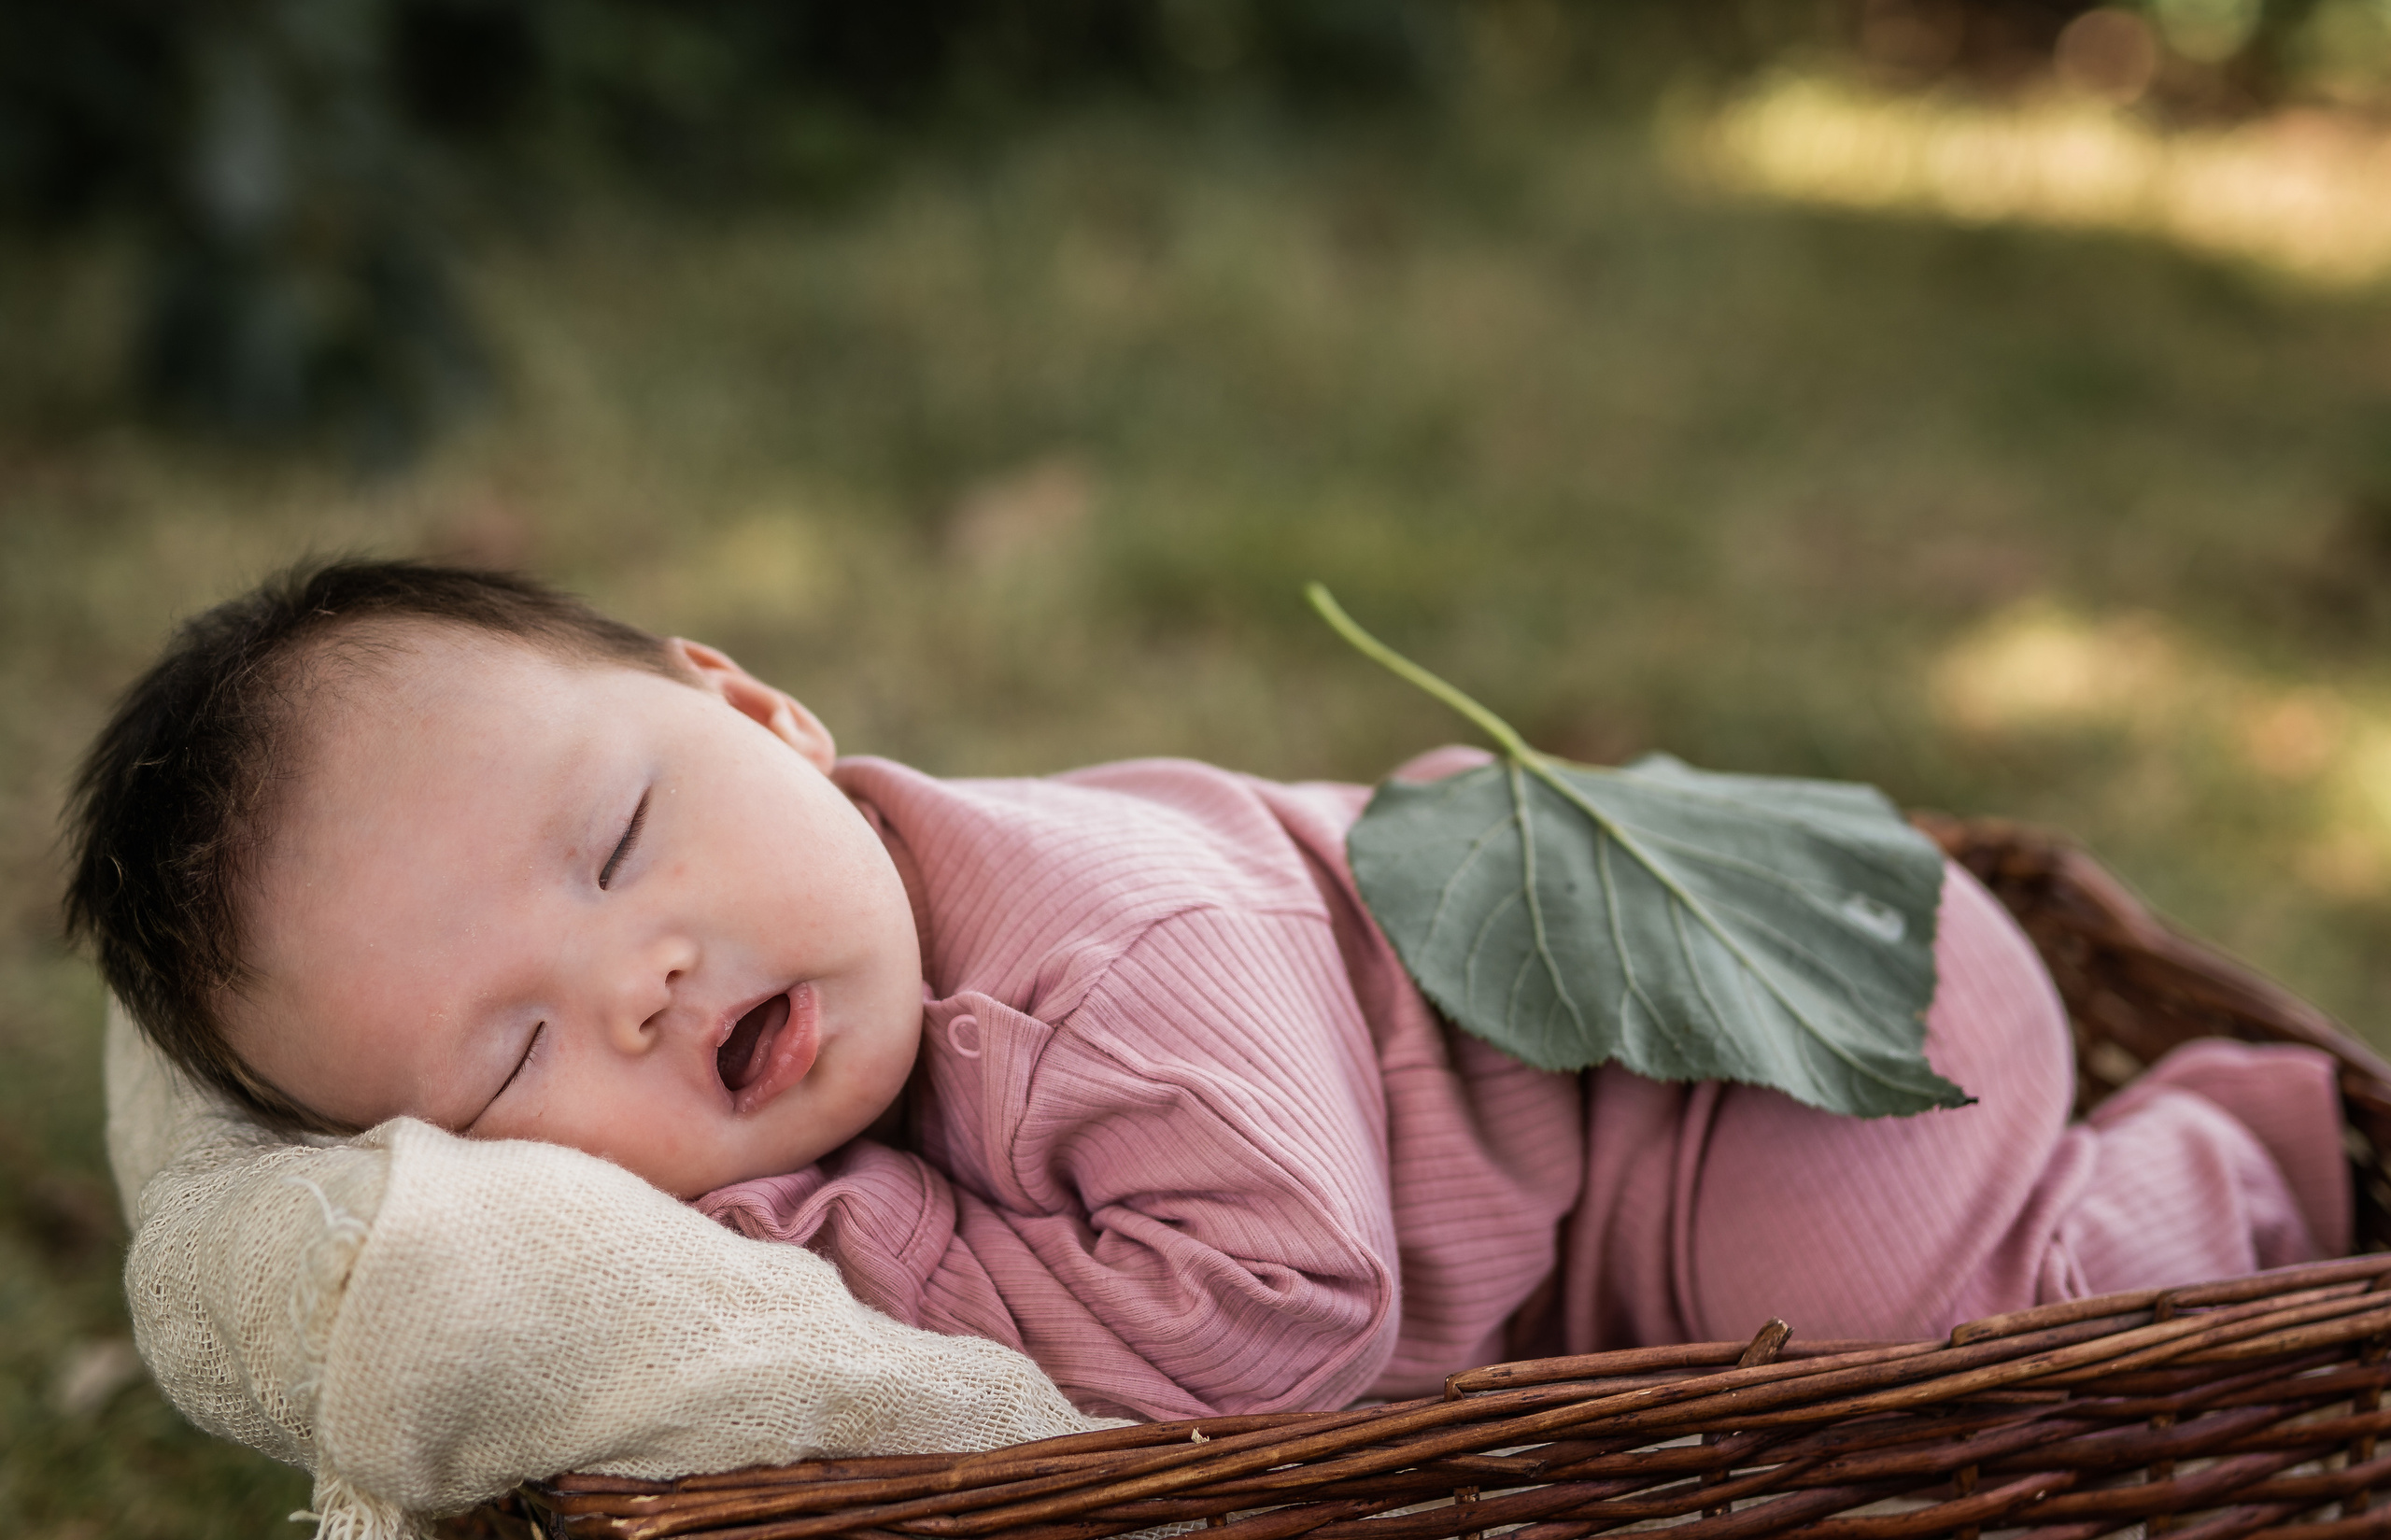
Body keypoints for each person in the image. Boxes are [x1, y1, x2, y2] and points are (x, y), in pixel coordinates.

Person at [64, 559, 2353, 1425]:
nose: (641, 979)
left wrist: (815, 1231)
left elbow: (1280, 1323)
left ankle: (2229, 1170)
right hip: (1584, 1206)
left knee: (1889, 1366)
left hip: (1781, 1055)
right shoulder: (809, 1013)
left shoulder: (1114, 960)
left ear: (754, 712)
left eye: (620, 845)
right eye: (515, 1056)